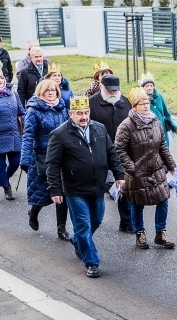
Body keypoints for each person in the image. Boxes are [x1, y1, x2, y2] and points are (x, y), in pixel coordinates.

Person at [46, 95, 125, 278]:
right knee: (83, 225)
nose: (83, 116)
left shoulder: (99, 128)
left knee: (96, 220)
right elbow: (52, 164)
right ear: (70, 113)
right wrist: (55, 189)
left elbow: (111, 152)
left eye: (86, 112)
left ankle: (77, 240)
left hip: (97, 187)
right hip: (75, 190)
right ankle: (91, 262)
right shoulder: (60, 134)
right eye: (79, 113)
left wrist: (119, 174)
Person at [114, 87, 177, 250]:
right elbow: (119, 148)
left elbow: (162, 145)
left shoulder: (155, 120)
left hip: (156, 169)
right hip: (137, 171)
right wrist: (131, 167)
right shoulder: (126, 125)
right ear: (134, 107)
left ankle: (160, 233)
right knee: (137, 203)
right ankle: (139, 233)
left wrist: (171, 165)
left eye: (147, 102)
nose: (145, 106)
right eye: (141, 104)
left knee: (163, 200)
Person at [20, 79, 70, 239]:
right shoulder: (34, 110)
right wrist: (25, 159)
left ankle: (61, 228)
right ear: (41, 92)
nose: (51, 93)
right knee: (42, 193)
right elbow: (28, 135)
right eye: (47, 90)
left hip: (63, 156)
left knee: (63, 193)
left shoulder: (62, 107)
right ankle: (34, 212)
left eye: (53, 90)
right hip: (42, 156)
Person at [89, 74, 133, 233]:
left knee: (123, 185)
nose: (114, 93)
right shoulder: (92, 103)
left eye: (116, 90)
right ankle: (93, 218)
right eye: (110, 90)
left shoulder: (126, 102)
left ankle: (126, 221)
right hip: (99, 151)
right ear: (101, 87)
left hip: (122, 152)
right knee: (99, 187)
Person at [0, 58, 25, 200]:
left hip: (14, 133)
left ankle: (4, 179)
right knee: (0, 163)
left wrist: (26, 123)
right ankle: (6, 187)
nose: (0, 80)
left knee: (16, 162)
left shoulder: (12, 93)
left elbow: (21, 112)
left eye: (1, 77)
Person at [140, 71, 177, 147]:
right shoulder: (140, 99)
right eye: (147, 86)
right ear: (142, 87)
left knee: (165, 151)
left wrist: (174, 127)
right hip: (149, 132)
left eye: (151, 85)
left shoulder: (159, 96)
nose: (149, 88)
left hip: (162, 129)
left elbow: (166, 114)